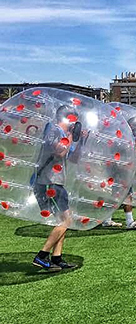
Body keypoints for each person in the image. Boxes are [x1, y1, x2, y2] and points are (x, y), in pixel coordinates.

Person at [32, 106, 82, 271]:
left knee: (62, 220)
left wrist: (78, 140)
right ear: (68, 118)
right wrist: (69, 136)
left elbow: (73, 158)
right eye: (74, 119)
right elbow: (59, 152)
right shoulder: (53, 130)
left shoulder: (64, 134)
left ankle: (56, 258)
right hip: (48, 182)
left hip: (56, 181)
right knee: (66, 220)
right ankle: (42, 255)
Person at [102, 116, 136, 229]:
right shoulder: (123, 138)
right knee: (127, 194)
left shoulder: (128, 137)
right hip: (121, 170)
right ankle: (129, 222)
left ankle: (107, 220)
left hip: (119, 169)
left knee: (114, 195)